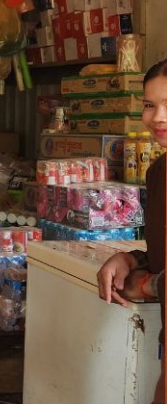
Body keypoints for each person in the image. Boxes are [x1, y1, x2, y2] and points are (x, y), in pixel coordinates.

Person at [97, 58, 167, 404]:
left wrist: (148, 284)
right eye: (150, 105)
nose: (158, 118)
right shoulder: (159, 172)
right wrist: (130, 258)